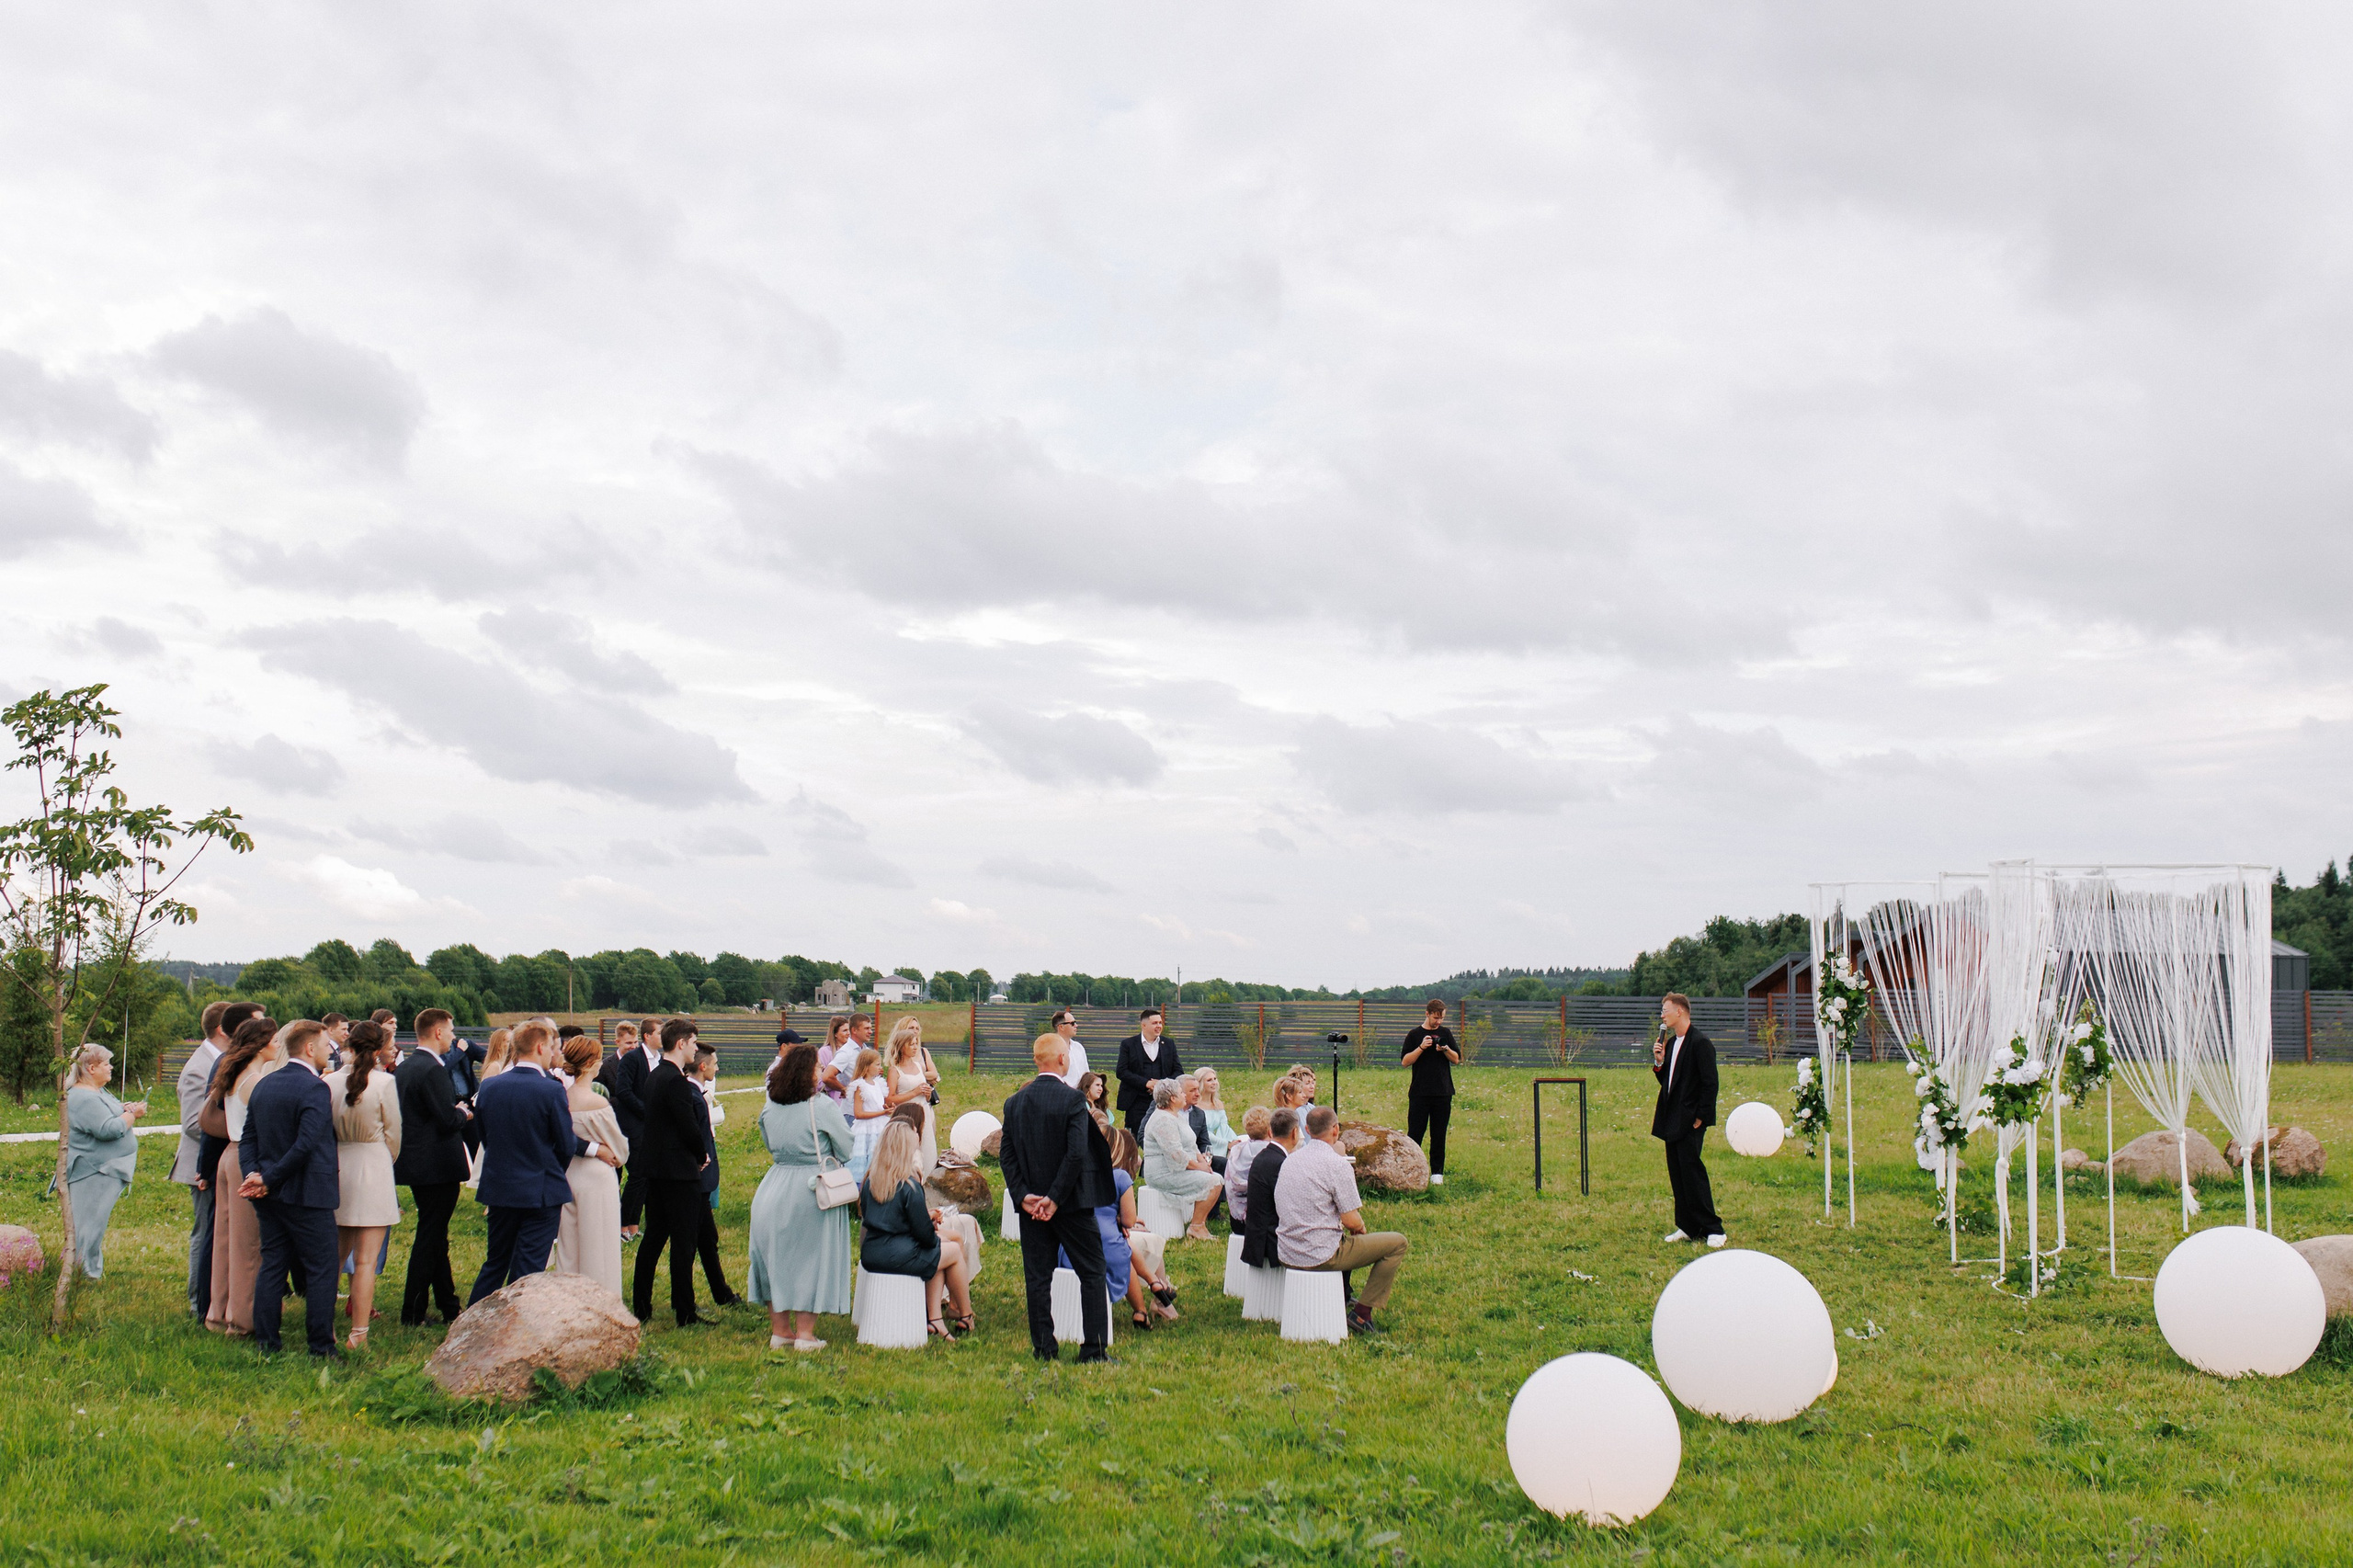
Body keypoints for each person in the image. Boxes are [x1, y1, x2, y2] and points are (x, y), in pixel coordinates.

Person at [471, 1020, 619, 1305]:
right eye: (553, 1047)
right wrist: (549, 1171)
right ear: (540, 1047)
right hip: (540, 1190)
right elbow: (564, 1144)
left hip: (500, 1186)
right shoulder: (550, 1090)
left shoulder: (490, 1087)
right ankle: (518, 1324)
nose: (555, 1052)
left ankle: (472, 1320)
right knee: (528, 1267)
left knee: (495, 1262)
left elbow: (485, 1137)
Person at [999, 1032, 1114, 1361]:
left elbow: (1006, 1156)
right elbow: (1077, 1154)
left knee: (1037, 1278)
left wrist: (1024, 1197)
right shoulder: (1073, 1100)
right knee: (1092, 1271)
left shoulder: (1014, 1102)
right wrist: (1055, 1198)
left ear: (1037, 1060)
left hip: (1031, 1204)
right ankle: (1093, 1350)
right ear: (1063, 1059)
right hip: (1071, 1203)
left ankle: (1044, 1349)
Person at [238, 1020, 341, 1358]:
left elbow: (248, 1137)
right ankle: (321, 1347)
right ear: (310, 1048)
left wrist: (254, 1174)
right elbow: (306, 1143)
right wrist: (266, 1179)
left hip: (269, 1193)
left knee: (273, 1264)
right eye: (326, 1045)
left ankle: (267, 1343)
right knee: (322, 1269)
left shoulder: (265, 1084)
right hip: (307, 1194)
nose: (330, 1051)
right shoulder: (314, 1088)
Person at [747, 1043, 856, 1351]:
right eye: (818, 1068)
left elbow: (769, 1141)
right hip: (811, 1188)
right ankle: (805, 1335)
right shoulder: (820, 1106)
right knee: (811, 1260)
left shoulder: (770, 1106)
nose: (822, 1072)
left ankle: (780, 1331)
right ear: (806, 1072)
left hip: (774, 1184)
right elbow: (846, 1148)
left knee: (774, 1259)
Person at [1277, 1106, 1408, 1336]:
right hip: (1321, 1254)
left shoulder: (1290, 1161)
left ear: (1306, 1130)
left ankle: (1347, 1302)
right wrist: (1361, 1229)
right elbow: (1351, 1220)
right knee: (1397, 1243)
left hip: (1287, 1252)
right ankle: (1362, 1313)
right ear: (1336, 1130)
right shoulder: (1338, 1165)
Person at [632, 1019, 718, 1327]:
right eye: (694, 1043)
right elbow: (688, 1127)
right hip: (679, 1172)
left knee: (654, 1237)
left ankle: (641, 1305)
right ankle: (685, 1311)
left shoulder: (656, 1076)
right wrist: (701, 1155)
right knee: (683, 1243)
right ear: (681, 1043)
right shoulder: (676, 1082)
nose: (696, 1049)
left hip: (655, 1168)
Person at [392, 1007, 472, 1324]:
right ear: (437, 1032)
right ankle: (412, 1311)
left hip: (416, 1163)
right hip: (437, 1165)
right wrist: (463, 1113)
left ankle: (448, 1304)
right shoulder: (431, 1070)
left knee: (435, 1236)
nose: (453, 1037)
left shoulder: (407, 1066)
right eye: (450, 1031)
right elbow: (444, 1119)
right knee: (430, 1237)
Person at [324, 1020, 402, 1348]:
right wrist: (384, 1160)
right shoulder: (384, 1082)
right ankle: (358, 1333)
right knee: (367, 1261)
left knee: (334, 1257)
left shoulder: (329, 1082)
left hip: (339, 1166)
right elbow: (394, 1134)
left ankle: (323, 1325)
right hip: (374, 1165)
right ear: (379, 1047)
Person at [206, 1014, 284, 1336]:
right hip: (245, 1159)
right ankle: (242, 1320)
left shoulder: (233, 1073)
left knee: (225, 1240)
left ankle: (217, 1313)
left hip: (228, 1157)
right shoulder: (254, 1081)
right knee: (247, 1245)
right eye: (274, 1039)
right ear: (261, 1045)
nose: (278, 1044)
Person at [860, 1119, 973, 1340]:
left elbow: (881, 1217)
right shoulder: (910, 1185)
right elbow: (925, 1238)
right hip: (898, 1255)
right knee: (952, 1252)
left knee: (939, 1255)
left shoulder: (871, 1181)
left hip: (872, 1252)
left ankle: (935, 1321)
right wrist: (927, 1225)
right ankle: (965, 1314)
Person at [1073, 1127, 1176, 1330]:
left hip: (1076, 1239)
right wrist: (1119, 1219)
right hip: (1109, 1241)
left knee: (1123, 1247)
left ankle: (1147, 1299)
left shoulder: (1077, 1173)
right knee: (1123, 1250)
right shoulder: (1119, 1177)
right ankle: (1144, 1304)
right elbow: (1130, 1221)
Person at [553, 1034, 630, 1298]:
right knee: (600, 1243)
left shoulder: (561, 1097)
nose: (600, 1063)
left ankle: (568, 1299)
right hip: (597, 1178)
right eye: (597, 1058)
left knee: (570, 1243)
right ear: (589, 1064)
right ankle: (601, 1300)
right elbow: (620, 1150)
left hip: (569, 1173)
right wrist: (610, 1152)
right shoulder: (597, 1102)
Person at [63, 1044, 144, 1279]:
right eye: (106, 1064)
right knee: (88, 1225)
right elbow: (107, 1129)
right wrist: (132, 1115)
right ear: (91, 1068)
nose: (111, 1067)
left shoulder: (96, 1091)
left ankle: (87, 1270)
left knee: (95, 1224)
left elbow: (110, 1112)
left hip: (104, 1169)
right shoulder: (82, 1097)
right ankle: (83, 1274)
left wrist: (124, 1108)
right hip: (93, 1170)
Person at [1651, 992, 1724, 1248]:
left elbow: (1710, 1083)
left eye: (1665, 1010)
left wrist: (1702, 1116)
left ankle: (1714, 1228)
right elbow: (1669, 1083)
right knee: (1677, 1173)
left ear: (1680, 1011)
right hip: (1672, 1117)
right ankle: (1688, 1226)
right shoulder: (1671, 1043)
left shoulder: (1700, 1042)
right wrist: (1659, 1063)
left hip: (1691, 1119)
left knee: (1692, 1172)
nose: (1662, 1015)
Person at [174, 1001, 231, 1316]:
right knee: (205, 1233)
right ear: (223, 1029)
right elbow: (194, 1124)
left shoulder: (219, 1061)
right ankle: (199, 1303)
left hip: (216, 1163)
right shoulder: (199, 1066)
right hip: (202, 1166)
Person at [689, 1044, 739, 1310]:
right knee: (700, 1240)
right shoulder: (693, 1096)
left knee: (707, 1239)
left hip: (699, 1179)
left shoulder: (697, 1093)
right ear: (703, 1066)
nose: (718, 1068)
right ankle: (697, 1297)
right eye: (715, 1063)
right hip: (695, 1179)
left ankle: (722, 1293)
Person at [1141, 1080, 1222, 1241]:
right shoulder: (1163, 1120)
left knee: (1215, 1178)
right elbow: (1176, 1154)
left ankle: (1198, 1224)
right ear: (1172, 1098)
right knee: (1214, 1182)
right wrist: (1199, 1167)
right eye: (1181, 1092)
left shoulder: (1175, 1115)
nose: (1184, 1095)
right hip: (1162, 1173)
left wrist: (1203, 1162)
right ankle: (1196, 1227)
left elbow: (1191, 1145)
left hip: (1178, 1168)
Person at [609, 1017, 663, 1241]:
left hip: (653, 1127)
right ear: (648, 1036)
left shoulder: (661, 1059)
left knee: (645, 1177)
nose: (663, 1036)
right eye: (660, 1033)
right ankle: (621, 1226)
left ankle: (633, 1225)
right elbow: (623, 1092)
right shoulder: (633, 1059)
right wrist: (646, 1111)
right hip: (633, 1126)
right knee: (637, 1175)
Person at [1401, 1000, 1461, 1186]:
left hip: (1443, 1092)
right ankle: (1413, 1169)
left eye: (1442, 1018)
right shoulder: (1414, 1034)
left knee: (1439, 1134)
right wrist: (1421, 1047)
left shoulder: (1445, 1033)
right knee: (1416, 1133)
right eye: (1436, 1017)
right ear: (1427, 1014)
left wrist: (1445, 1049)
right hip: (1420, 1092)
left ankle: (1437, 1174)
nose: (1439, 1022)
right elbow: (1405, 1061)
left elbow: (1457, 1059)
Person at [1239, 1108, 1298, 1270]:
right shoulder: (1280, 1162)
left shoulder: (1264, 1156)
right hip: (1270, 1241)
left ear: (1270, 1131)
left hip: (1257, 1235)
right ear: (1295, 1133)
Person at [1113, 1006, 1181, 1134]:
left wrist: (1161, 1084)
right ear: (1143, 1025)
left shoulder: (1169, 1044)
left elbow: (1178, 1071)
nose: (1159, 1026)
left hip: (1163, 1101)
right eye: (1155, 1023)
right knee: (1134, 1136)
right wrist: (1146, 1083)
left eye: (1160, 1023)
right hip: (1136, 1100)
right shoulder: (1128, 1044)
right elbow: (1121, 1071)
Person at [885, 1020, 938, 1172]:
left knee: (927, 1148)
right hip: (907, 1113)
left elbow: (924, 1089)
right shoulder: (895, 1071)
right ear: (902, 1047)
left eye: (916, 1043)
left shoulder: (918, 1066)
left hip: (924, 1111)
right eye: (911, 1044)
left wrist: (927, 1094)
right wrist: (914, 1093)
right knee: (909, 1151)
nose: (915, 1047)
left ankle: (928, 1178)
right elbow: (889, 1098)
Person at [845, 1047, 890, 1183]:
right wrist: (882, 1112)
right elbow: (858, 1113)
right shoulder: (860, 1086)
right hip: (866, 1129)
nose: (879, 1067)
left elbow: (877, 1103)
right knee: (866, 1160)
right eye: (877, 1064)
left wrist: (886, 1109)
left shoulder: (878, 1084)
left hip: (880, 1126)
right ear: (867, 1066)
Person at [1224, 1106, 1274, 1226]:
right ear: (1270, 1131)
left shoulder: (1236, 1151)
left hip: (1236, 1219)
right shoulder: (1271, 1153)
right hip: (1263, 1225)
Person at [1191, 1069, 1236, 1171]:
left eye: (1215, 1079)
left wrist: (1232, 1141)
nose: (1214, 1083)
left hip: (1220, 1141)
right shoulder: (1196, 1105)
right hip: (1203, 1143)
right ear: (1201, 1083)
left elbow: (1224, 1127)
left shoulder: (1218, 1104)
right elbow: (1203, 1132)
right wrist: (1226, 1144)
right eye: (1209, 1080)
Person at [814, 1015, 853, 1102]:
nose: (848, 1034)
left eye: (849, 1030)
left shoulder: (852, 1051)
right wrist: (837, 1084)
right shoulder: (825, 1052)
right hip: (833, 1100)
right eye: (845, 1031)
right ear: (835, 1034)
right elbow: (819, 1082)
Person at [1051, 1006, 1088, 1087]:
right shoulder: (1052, 1049)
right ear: (1061, 1027)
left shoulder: (1079, 1048)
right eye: (1072, 1023)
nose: (1076, 1025)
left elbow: (1086, 1073)